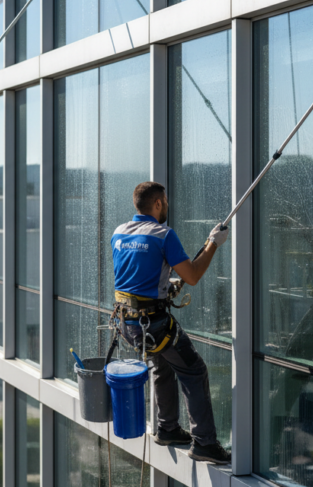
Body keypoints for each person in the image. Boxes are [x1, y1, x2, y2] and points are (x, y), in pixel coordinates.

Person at [111, 182, 231, 464]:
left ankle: (167, 428)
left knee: (161, 367)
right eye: (164, 201)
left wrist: (165, 285)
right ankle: (204, 443)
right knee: (194, 370)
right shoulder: (163, 235)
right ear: (157, 204)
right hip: (153, 324)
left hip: (129, 324)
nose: (167, 206)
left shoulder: (119, 232)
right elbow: (193, 275)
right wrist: (213, 242)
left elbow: (137, 273)